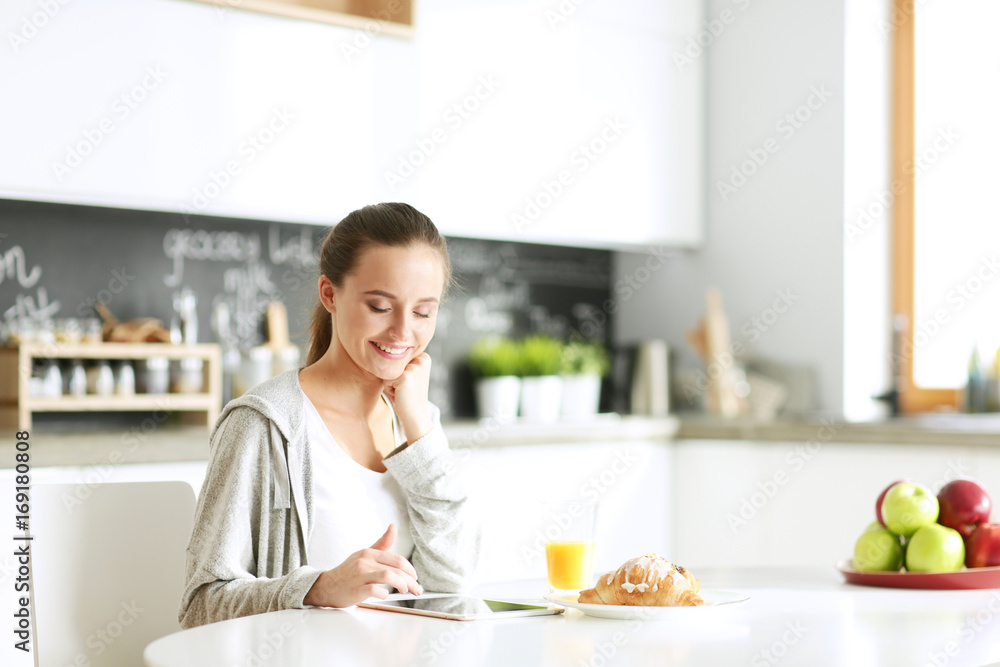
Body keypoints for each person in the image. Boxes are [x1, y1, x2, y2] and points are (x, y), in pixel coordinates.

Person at [178, 203, 482, 629]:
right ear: (330, 294)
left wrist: (418, 426)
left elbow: (452, 588)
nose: (402, 332)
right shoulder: (265, 424)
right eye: (380, 306)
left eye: (422, 312)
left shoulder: (418, 422)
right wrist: (319, 587)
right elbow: (200, 607)